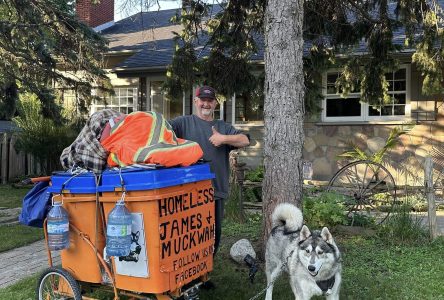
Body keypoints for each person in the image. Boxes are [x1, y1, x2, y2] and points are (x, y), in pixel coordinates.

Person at [169, 85, 250, 255]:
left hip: (215, 191)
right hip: (188, 191)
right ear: (195, 101)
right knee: (189, 234)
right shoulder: (182, 123)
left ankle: (207, 268)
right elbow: (160, 130)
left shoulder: (223, 127)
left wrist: (223, 138)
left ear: (215, 104)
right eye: (203, 100)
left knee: (214, 233)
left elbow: (245, 140)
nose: (206, 104)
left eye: (210, 101)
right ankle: (191, 271)